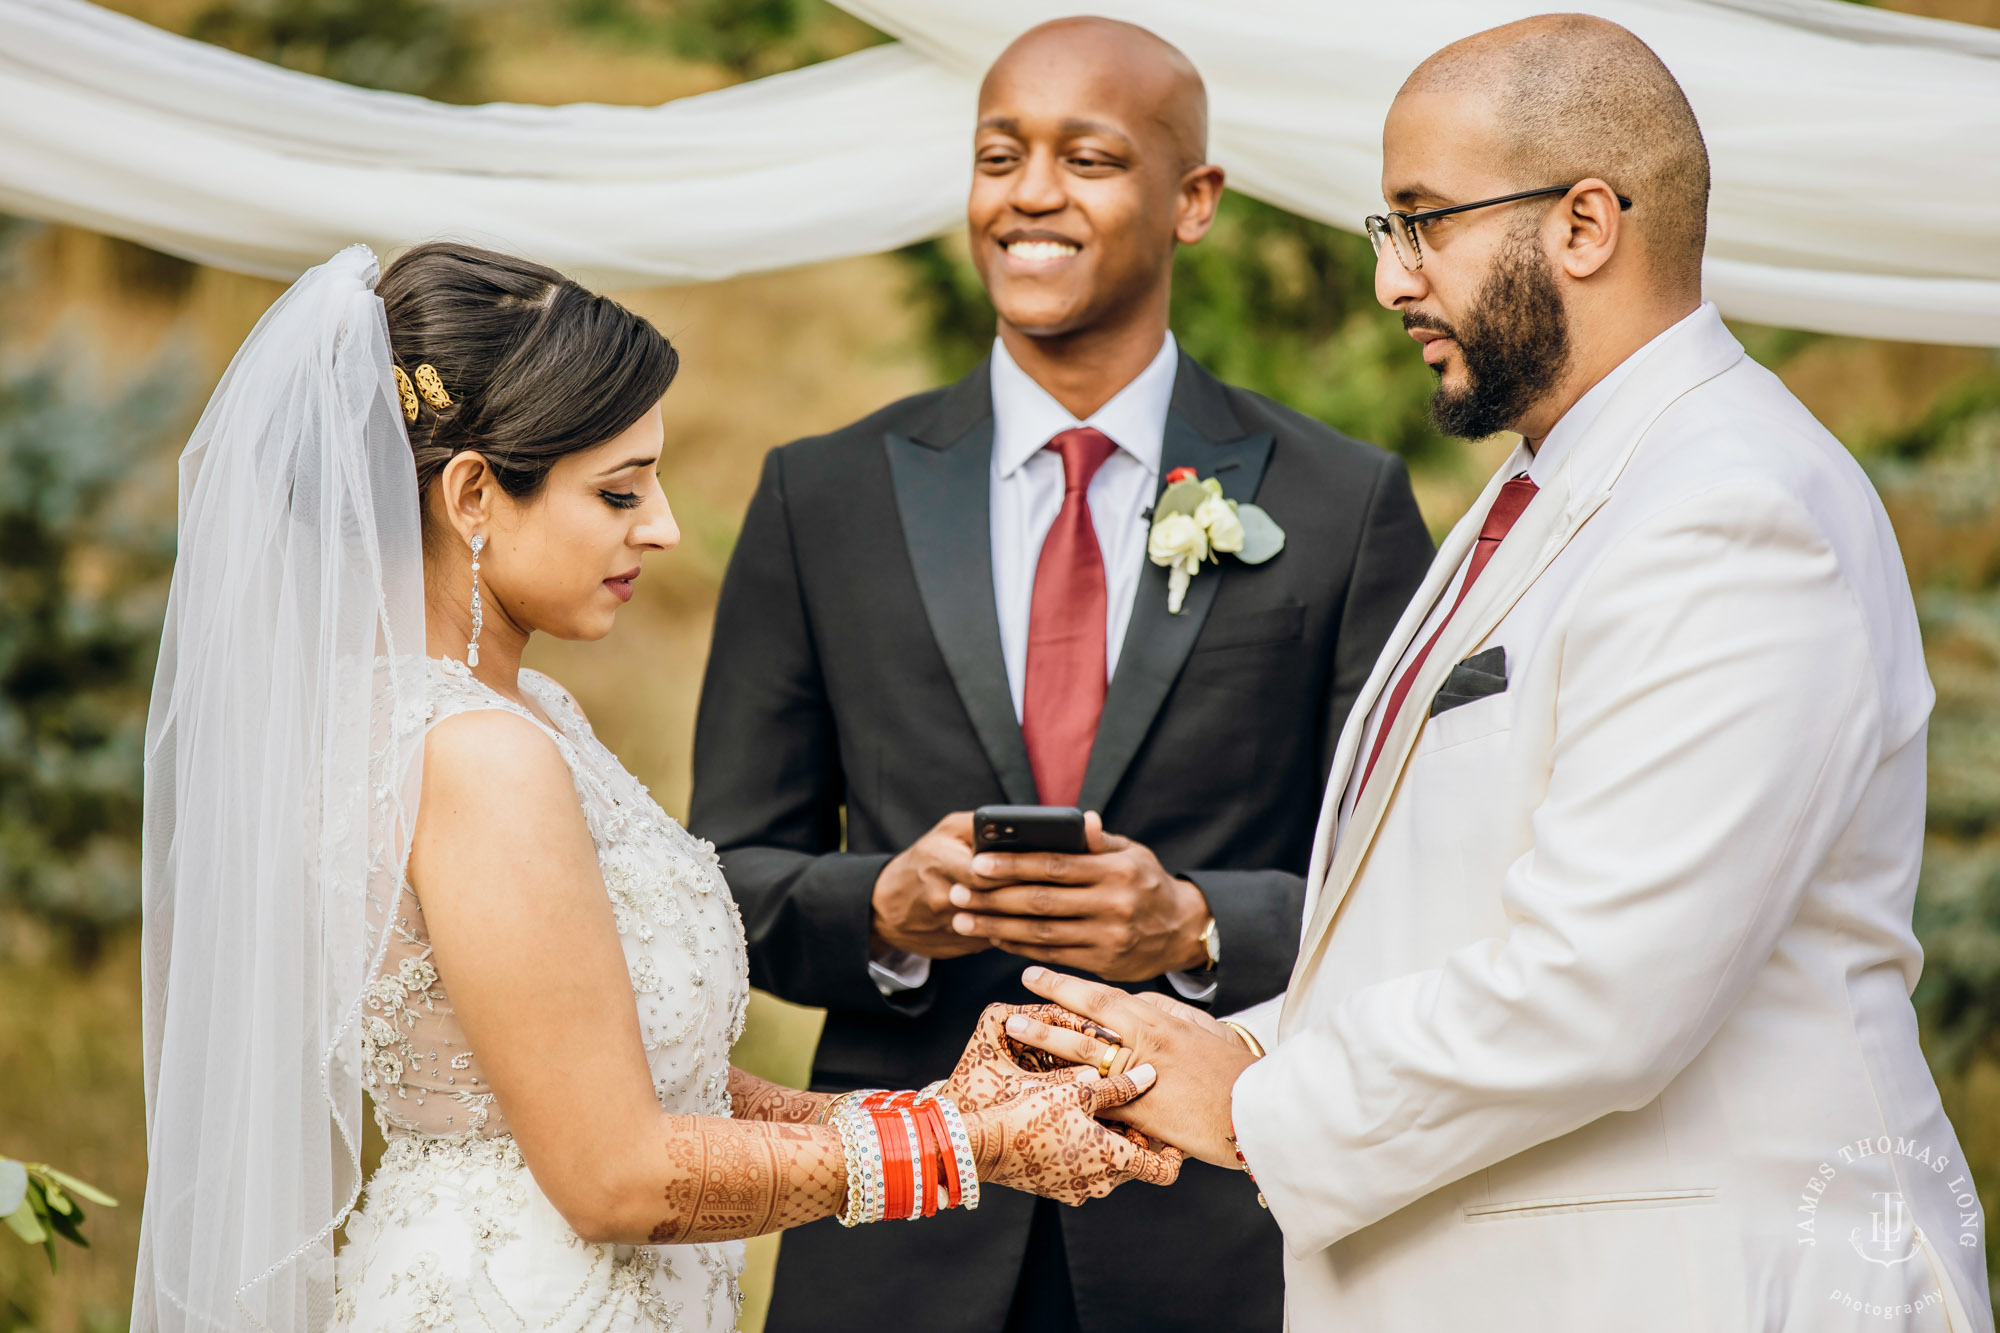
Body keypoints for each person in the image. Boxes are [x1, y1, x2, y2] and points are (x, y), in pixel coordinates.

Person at [1006, 14, 1995, 1333]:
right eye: (1387, 230)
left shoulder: (1733, 508)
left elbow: (1605, 984)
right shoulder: (1543, 492)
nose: (1393, 281)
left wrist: (1248, 1106)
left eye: (1425, 221)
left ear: (1585, 224)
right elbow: (1438, 922)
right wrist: (1233, 1039)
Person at [131, 241, 1178, 1333]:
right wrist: (968, 1150)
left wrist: (938, 1109)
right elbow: (614, 1176)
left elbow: (641, 1081)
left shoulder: (520, 715)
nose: (665, 526)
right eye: (619, 490)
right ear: (474, 494)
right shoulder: (475, 754)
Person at [688, 17, 1433, 1333]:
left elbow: (1421, 880)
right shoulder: (825, 496)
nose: (1031, 193)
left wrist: (1197, 926)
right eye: (999, 154)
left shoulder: (1338, 503)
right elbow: (723, 888)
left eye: (1087, 157)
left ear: (1192, 199)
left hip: (1216, 1240)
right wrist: (887, 913)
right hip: (900, 1230)